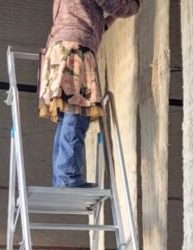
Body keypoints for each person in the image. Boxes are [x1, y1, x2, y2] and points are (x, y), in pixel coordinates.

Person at [39, 0, 141, 188]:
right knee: (77, 115)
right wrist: (135, 4)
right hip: (76, 51)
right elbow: (116, 5)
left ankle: (62, 179)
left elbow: (97, 23)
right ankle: (68, 179)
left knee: (67, 117)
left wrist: (116, 15)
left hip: (60, 50)